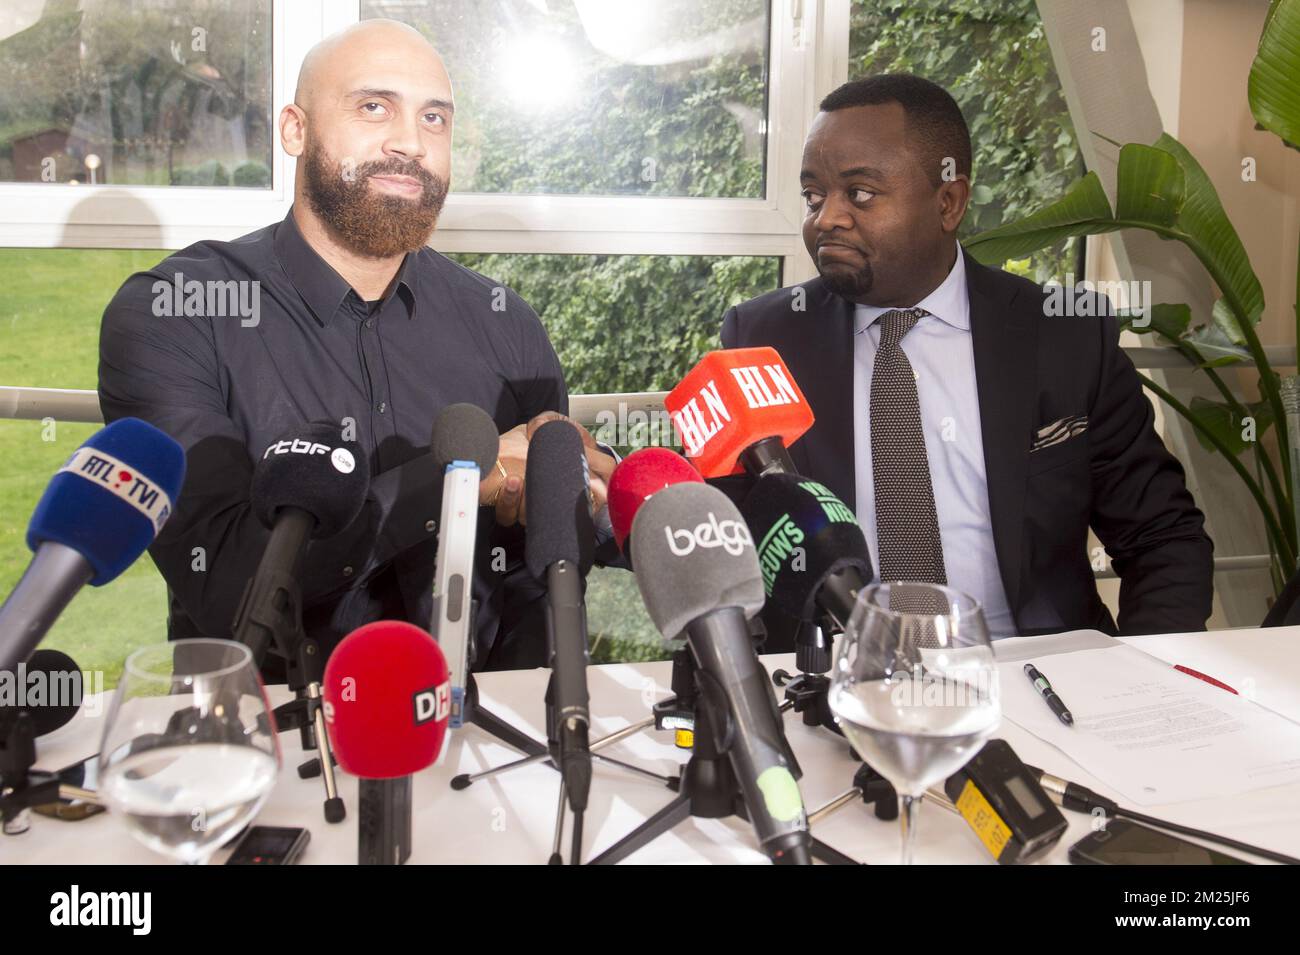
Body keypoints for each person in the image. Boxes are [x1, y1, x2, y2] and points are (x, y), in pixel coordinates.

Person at [98, 20, 616, 674]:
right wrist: (456, 477)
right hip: (275, 738)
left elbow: (542, 578)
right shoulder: (172, 315)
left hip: (490, 741)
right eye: (375, 107)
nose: (409, 142)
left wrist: (586, 500)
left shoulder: (508, 324)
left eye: (435, 119)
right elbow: (228, 587)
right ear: (294, 129)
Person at [720, 74, 1213, 644]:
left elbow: (1160, 535)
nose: (826, 217)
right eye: (813, 196)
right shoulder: (766, 338)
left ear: (948, 201)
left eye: (859, 193)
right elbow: (719, 538)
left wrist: (1137, 680)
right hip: (839, 686)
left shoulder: (1065, 334)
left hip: (1037, 676)